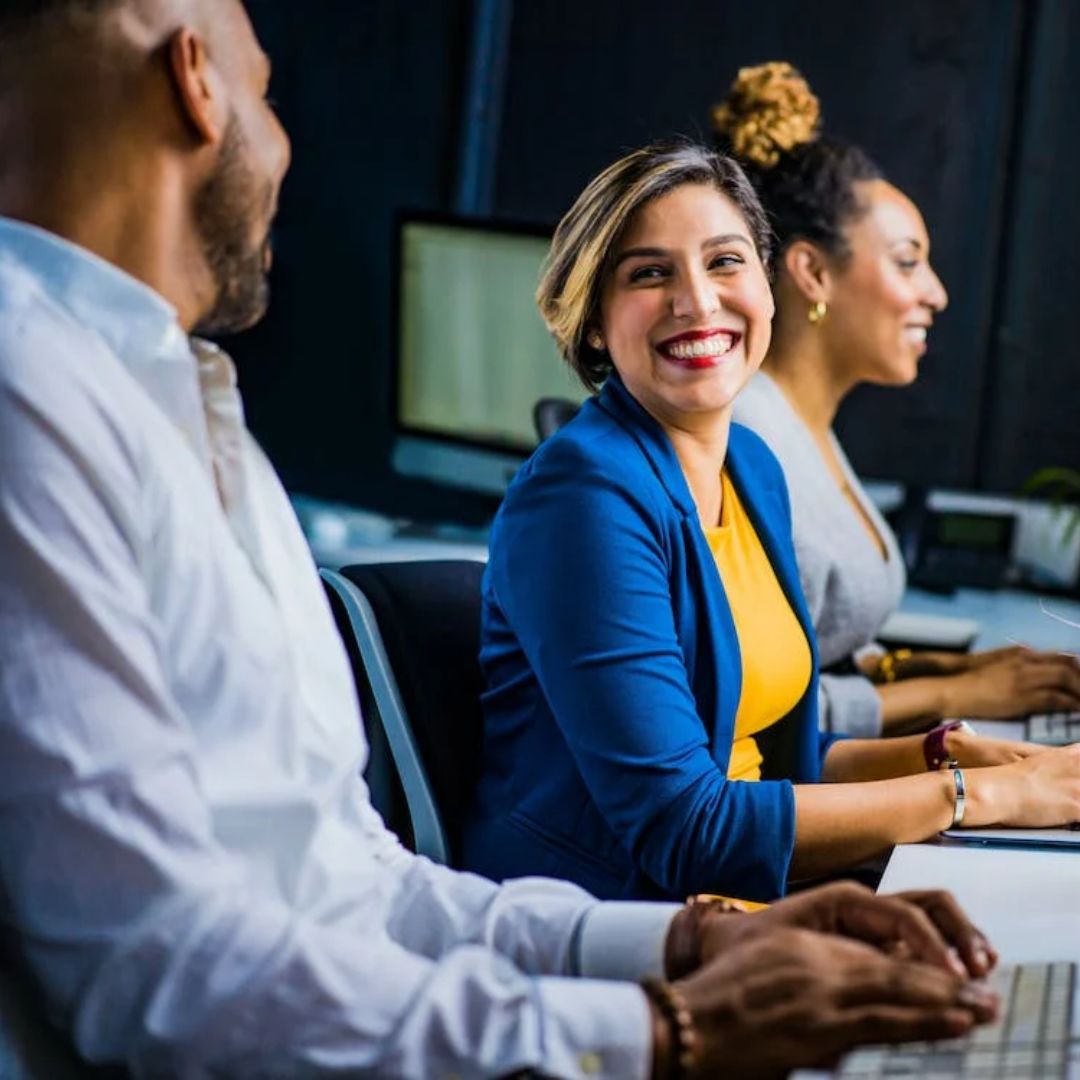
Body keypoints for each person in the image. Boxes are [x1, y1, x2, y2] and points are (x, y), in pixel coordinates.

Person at [0, 2, 1006, 1077]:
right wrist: (668, 1028)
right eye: (269, 92)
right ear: (198, 83)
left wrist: (696, 944)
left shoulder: (183, 401)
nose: (283, 144)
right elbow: (162, 975)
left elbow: (356, 886)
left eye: (723, 262)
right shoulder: (33, 396)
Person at [462, 139, 1080, 907]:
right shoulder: (582, 496)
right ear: (592, 323)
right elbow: (684, 826)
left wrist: (949, 758)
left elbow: (774, 764)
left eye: (725, 261)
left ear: (766, 279)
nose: (697, 299)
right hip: (616, 923)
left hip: (752, 895)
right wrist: (979, 797)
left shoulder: (750, 467)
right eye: (649, 274)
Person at [716, 61, 1080, 738]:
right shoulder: (748, 439)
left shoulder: (805, 427)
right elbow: (752, 717)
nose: (936, 294)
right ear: (814, 272)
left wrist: (943, 673)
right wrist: (954, 695)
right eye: (908, 261)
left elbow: (822, 654)